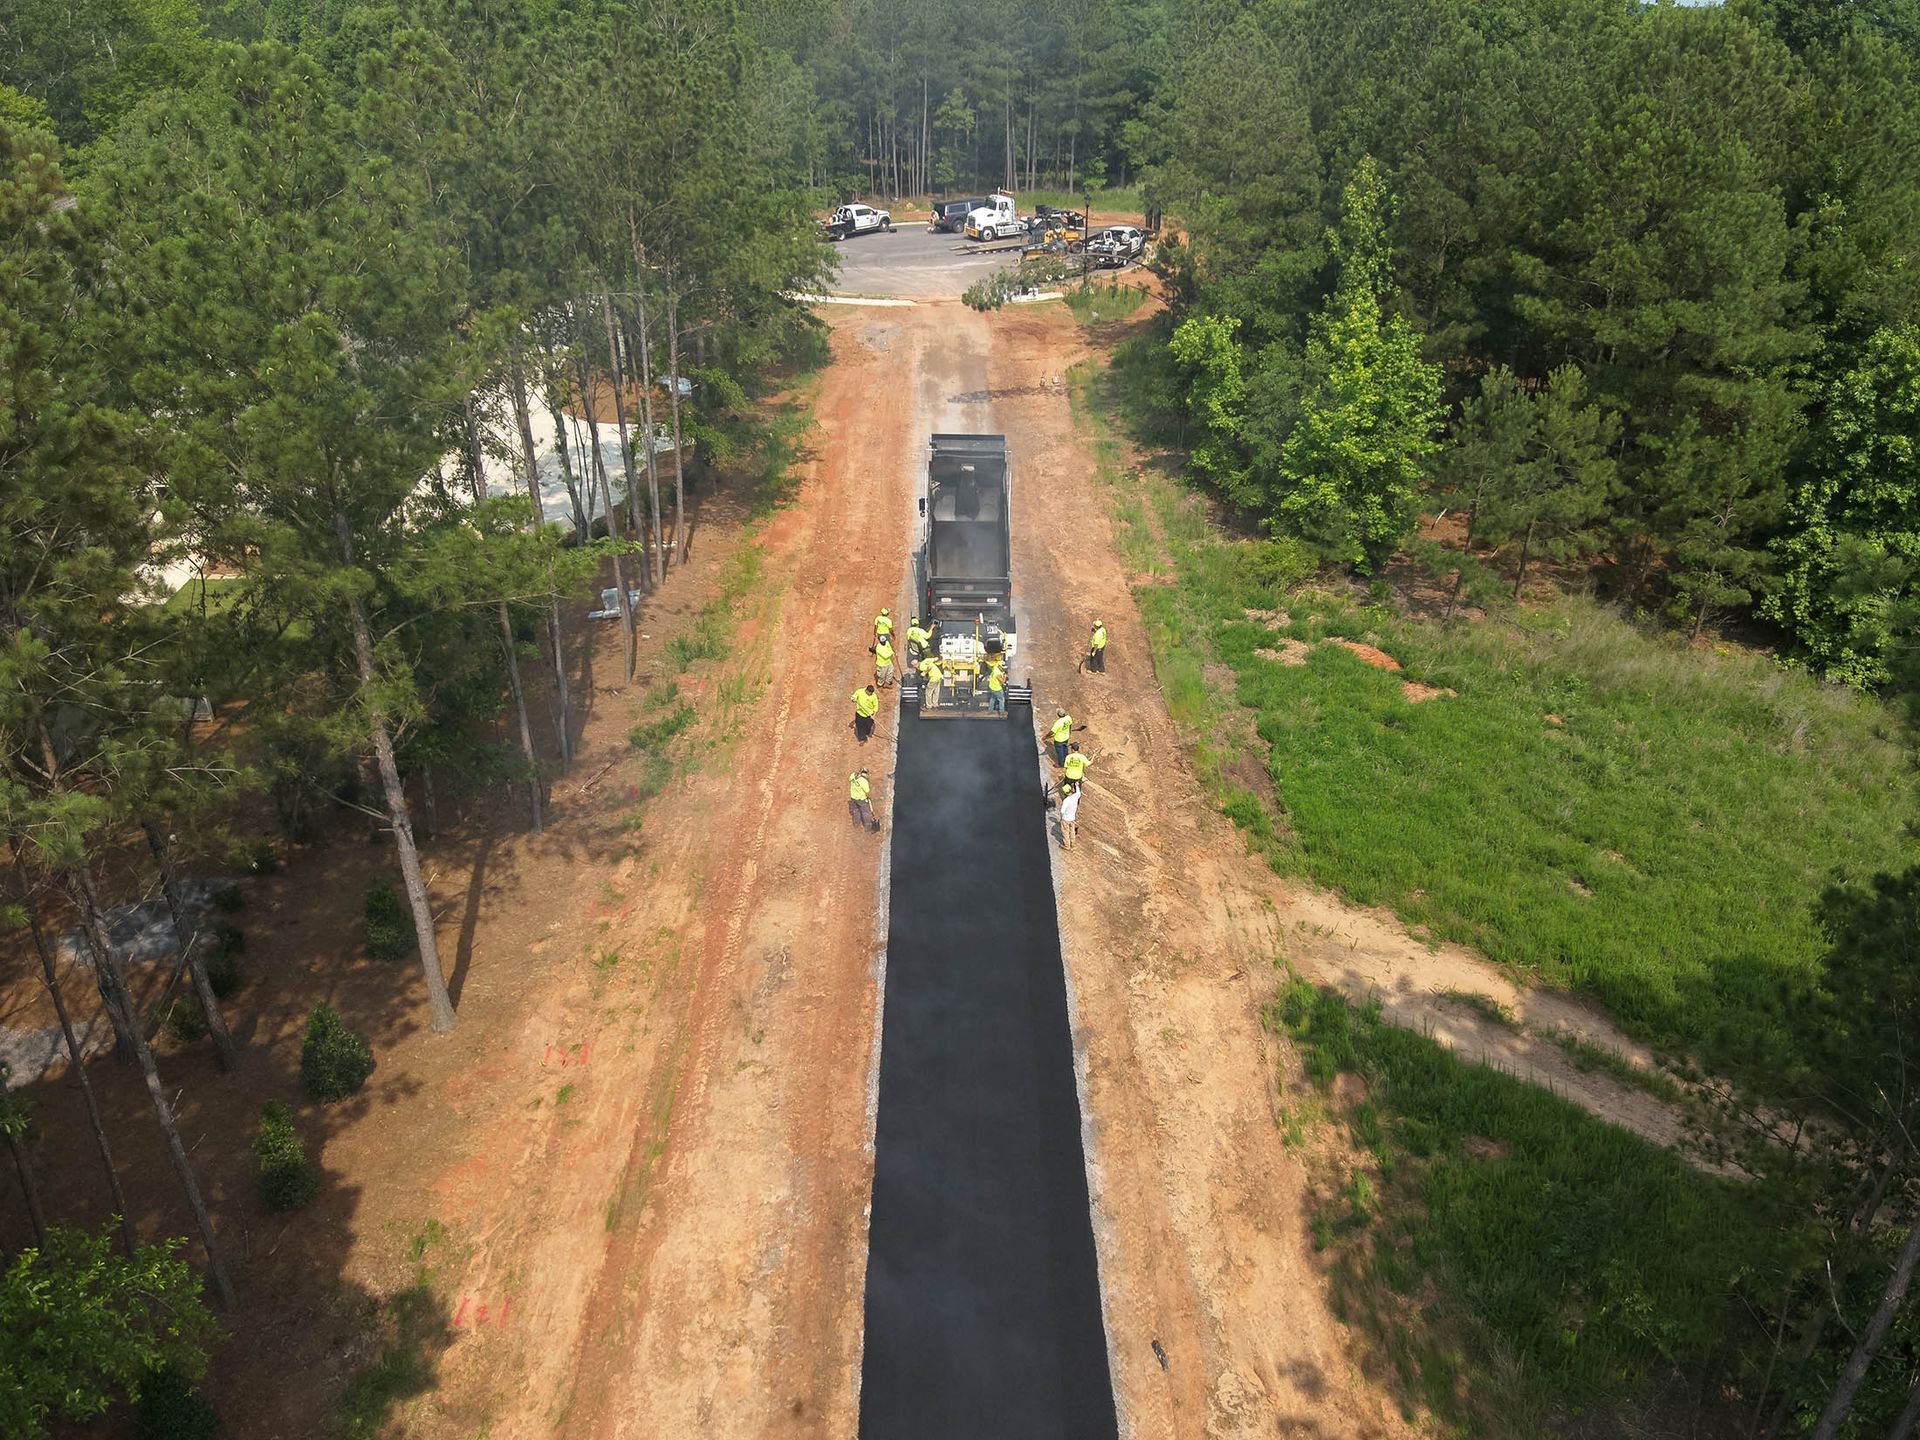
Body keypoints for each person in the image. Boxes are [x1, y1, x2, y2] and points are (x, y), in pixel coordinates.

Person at [1058, 780, 1080, 849]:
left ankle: (1067, 845)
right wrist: (1077, 786)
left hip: (1066, 819)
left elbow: (1062, 811)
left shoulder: (1066, 801)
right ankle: (1073, 844)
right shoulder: (1076, 796)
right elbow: (1078, 792)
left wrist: (1061, 817)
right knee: (1072, 831)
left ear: (1065, 792)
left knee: (1065, 832)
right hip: (1072, 818)